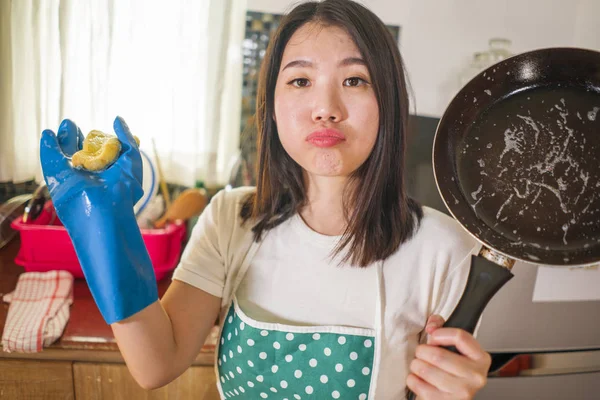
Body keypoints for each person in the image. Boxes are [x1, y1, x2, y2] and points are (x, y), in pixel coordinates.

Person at [40, 0, 491, 398]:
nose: (326, 107)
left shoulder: (444, 249)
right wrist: (109, 237)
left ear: (388, 102)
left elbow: (443, 382)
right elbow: (156, 365)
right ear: (271, 107)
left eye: (355, 80)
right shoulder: (230, 218)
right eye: (300, 81)